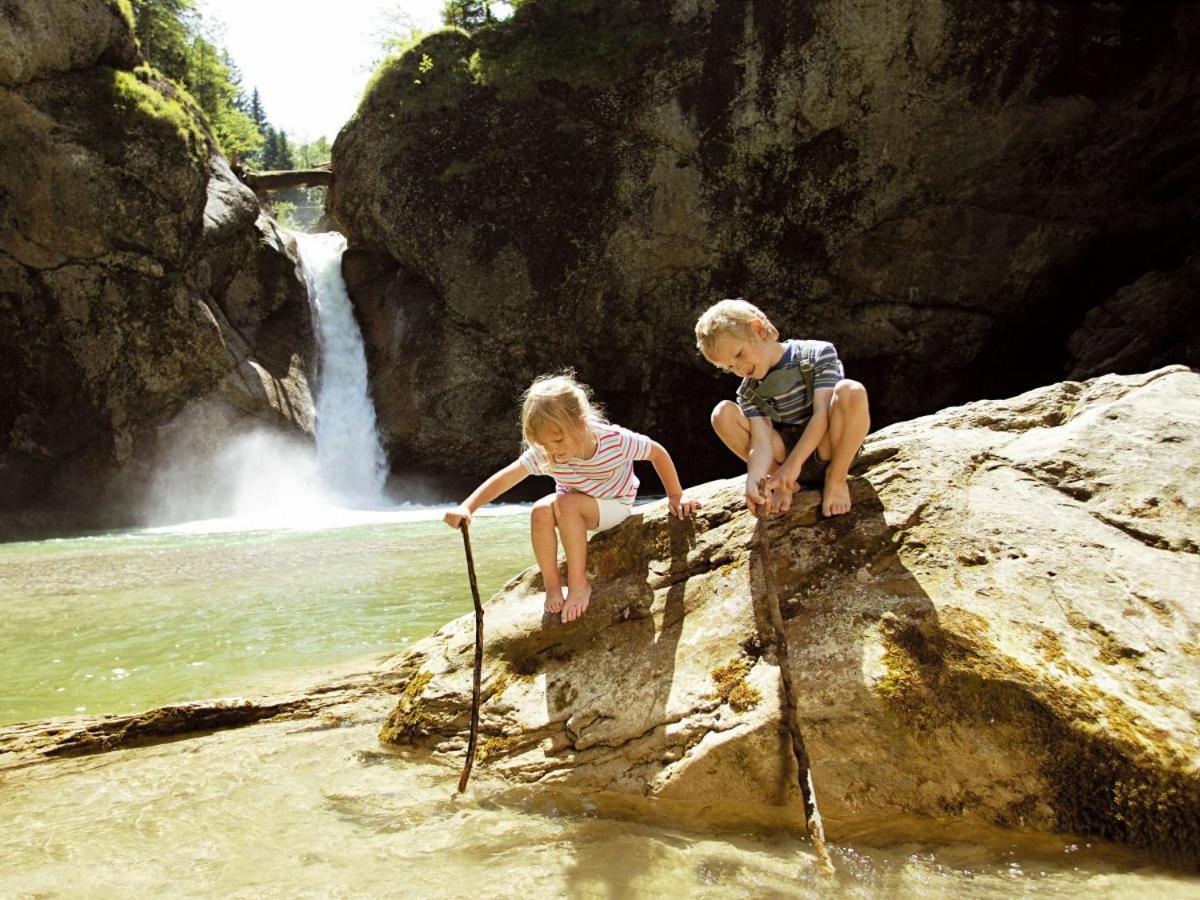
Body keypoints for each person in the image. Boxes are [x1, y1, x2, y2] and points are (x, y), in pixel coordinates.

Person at [443, 372, 700, 624]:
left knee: (566, 503)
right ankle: (553, 585)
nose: (553, 450)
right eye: (544, 444)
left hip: (614, 505)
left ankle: (579, 586)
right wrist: (468, 507)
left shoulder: (614, 440)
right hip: (574, 506)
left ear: (580, 423)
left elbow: (658, 453)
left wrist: (676, 496)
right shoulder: (548, 452)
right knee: (540, 511)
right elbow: (506, 478)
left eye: (557, 440)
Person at [695, 298, 870, 518]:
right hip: (785, 458)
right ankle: (783, 485)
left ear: (758, 329)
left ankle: (836, 478)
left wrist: (794, 464)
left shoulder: (818, 353)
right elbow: (761, 443)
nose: (739, 369)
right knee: (723, 414)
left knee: (851, 391)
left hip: (827, 447)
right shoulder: (749, 392)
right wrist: (756, 480)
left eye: (739, 354)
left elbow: (822, 415)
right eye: (729, 367)